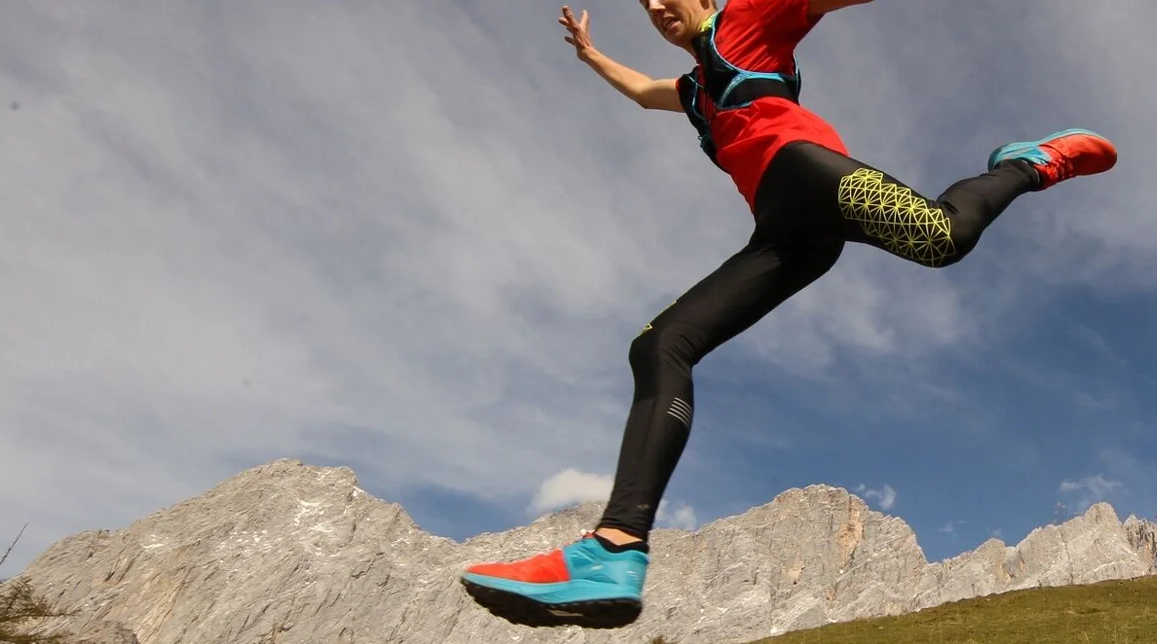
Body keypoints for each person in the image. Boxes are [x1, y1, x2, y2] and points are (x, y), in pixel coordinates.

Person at [459, 0, 1117, 629]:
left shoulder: (748, 15)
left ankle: (1028, 163)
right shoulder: (692, 93)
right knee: (660, 346)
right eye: (644, 1)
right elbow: (639, 90)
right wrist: (593, 55)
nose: (657, 6)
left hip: (806, 172)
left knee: (939, 238)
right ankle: (614, 548)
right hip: (783, 233)